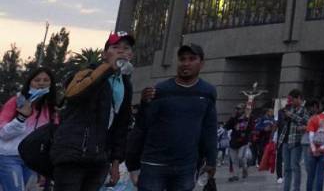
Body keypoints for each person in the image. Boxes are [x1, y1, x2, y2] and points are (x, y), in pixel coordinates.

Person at [51, 32, 135, 191]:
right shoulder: (87, 73)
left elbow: (121, 125)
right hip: (73, 153)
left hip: (99, 158)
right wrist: (107, 69)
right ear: (104, 54)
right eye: (115, 47)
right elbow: (73, 94)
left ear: (131, 55)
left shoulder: (125, 84)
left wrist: (115, 162)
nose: (121, 51)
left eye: (126, 48)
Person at [135, 43, 218, 191]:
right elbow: (142, 125)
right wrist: (144, 104)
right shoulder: (160, 90)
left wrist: (211, 160)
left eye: (192, 59)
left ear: (202, 63)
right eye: (182, 59)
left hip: (186, 166)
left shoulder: (208, 92)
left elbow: (209, 129)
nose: (186, 63)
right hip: (154, 164)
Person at [0, 66, 58, 191]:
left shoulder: (51, 110)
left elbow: (50, 139)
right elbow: (2, 133)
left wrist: (44, 167)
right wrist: (21, 117)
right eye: (37, 80)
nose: (41, 83)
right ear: (29, 83)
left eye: (46, 80)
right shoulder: (16, 102)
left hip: (31, 161)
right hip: (9, 157)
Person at [277, 90, 307, 191]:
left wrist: (291, 115)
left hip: (296, 142)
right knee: (286, 168)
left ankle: (296, 189)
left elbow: (306, 121)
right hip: (285, 140)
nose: (291, 102)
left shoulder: (304, 110)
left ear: (299, 98)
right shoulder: (290, 109)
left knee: (295, 166)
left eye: (292, 100)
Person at [304, 100, 324, 191]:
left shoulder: (314, 118)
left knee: (311, 174)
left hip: (313, 150)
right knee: (320, 174)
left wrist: (314, 149)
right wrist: (322, 148)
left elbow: (310, 135)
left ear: (322, 106)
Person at [224, 104, 254, 181]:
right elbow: (227, 127)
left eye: (239, 109)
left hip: (243, 142)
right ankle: (235, 175)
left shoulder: (248, 118)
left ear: (243, 110)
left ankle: (245, 168)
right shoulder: (234, 118)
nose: (237, 110)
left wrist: (248, 137)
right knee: (234, 160)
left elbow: (251, 128)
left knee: (241, 157)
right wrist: (231, 118)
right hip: (233, 142)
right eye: (237, 109)